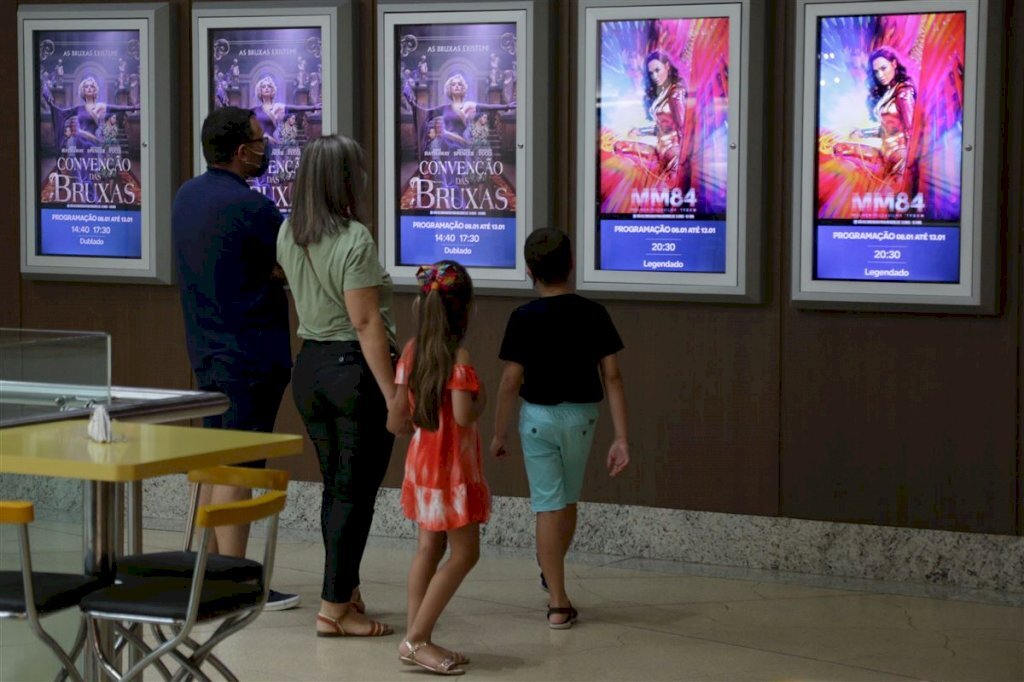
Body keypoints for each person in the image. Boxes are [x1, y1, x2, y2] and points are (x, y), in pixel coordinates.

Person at [171, 106, 299, 611]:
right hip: (250, 357)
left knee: (214, 462)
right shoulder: (254, 210)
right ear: (242, 151)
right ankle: (241, 582)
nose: (265, 148)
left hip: (205, 350)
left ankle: (207, 569)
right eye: (259, 140)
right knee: (240, 469)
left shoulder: (187, 196)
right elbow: (290, 265)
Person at [275, 134, 398, 638]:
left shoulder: (288, 233)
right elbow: (367, 323)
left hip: (310, 369)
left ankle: (343, 589)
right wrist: (395, 395)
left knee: (337, 488)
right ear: (345, 179)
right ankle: (334, 609)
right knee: (356, 493)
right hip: (354, 372)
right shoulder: (355, 239)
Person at [490, 228, 630, 629]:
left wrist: (499, 434)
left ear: (529, 270)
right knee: (567, 501)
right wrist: (621, 436)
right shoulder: (594, 313)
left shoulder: (523, 318)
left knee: (549, 504)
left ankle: (557, 600)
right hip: (583, 418)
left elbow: (509, 382)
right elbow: (613, 376)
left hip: (538, 420)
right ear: (571, 264)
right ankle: (551, 573)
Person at [386, 260, 489, 676]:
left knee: (428, 549)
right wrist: (479, 398)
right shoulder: (458, 356)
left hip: (423, 464)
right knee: (465, 553)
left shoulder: (411, 351)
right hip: (451, 471)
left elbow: (396, 417)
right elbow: (464, 416)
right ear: (466, 309)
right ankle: (415, 639)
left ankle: (418, 635)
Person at [615, 50, 688, 189]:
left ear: (667, 66)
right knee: (619, 146)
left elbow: (683, 128)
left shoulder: (675, 93)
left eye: (657, 70)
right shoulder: (663, 92)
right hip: (660, 152)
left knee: (666, 194)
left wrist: (680, 161)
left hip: (673, 154)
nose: (654, 76)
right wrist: (640, 131)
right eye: (651, 73)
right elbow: (662, 127)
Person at [850, 46, 916, 190]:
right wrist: (862, 133)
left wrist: (907, 163)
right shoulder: (889, 92)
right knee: (842, 150)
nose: (880, 75)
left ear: (894, 64)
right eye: (876, 71)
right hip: (886, 155)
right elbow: (887, 128)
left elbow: (912, 129)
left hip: (900, 158)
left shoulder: (903, 92)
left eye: (883, 68)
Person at [45, 76, 139, 150]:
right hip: (80, 144)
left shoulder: (100, 106)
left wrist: (133, 107)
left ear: (95, 90)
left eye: (91, 86)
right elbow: (60, 113)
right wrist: (51, 104)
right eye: (86, 87)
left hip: (94, 144)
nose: (89, 88)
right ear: (83, 91)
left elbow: (118, 108)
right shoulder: (78, 108)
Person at [250, 74, 321, 143]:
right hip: (258, 144)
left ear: (272, 90)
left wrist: (313, 107)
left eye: (269, 86)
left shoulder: (277, 107)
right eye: (263, 87)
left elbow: (296, 108)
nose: (266, 88)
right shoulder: (255, 110)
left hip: (271, 143)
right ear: (260, 91)